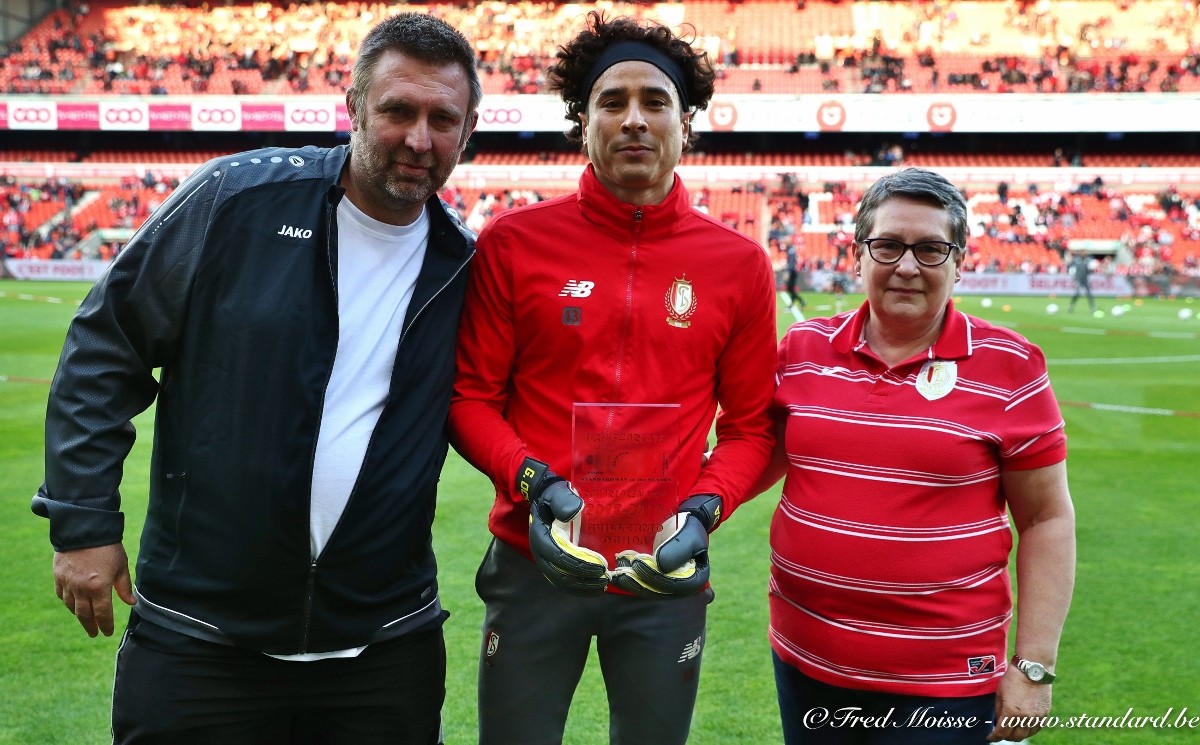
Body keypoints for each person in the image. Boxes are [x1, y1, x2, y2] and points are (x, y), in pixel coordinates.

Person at [31, 13, 480, 744]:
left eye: (442, 119)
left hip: (382, 649)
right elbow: (106, 343)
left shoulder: (463, 264)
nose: (418, 138)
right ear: (355, 106)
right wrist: (82, 522)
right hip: (201, 636)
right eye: (398, 110)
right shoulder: (236, 200)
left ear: (469, 132)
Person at [447, 11, 777, 745]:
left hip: (664, 572)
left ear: (685, 122)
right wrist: (533, 481)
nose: (634, 120)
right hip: (534, 563)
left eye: (654, 102)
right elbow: (470, 399)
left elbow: (753, 429)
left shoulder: (739, 264)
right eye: (612, 102)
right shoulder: (515, 242)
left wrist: (702, 511)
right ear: (582, 121)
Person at [757, 168, 1076, 744]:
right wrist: (675, 506)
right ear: (858, 257)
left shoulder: (1011, 366)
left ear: (959, 262)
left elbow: (1046, 519)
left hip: (945, 678)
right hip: (806, 658)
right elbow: (758, 458)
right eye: (888, 246)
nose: (907, 266)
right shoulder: (801, 350)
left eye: (930, 249)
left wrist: (1032, 667)